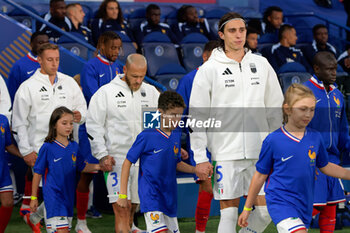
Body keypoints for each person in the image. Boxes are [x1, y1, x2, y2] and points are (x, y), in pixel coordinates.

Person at [189, 12, 284, 233]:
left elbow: (275, 109)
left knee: (263, 213)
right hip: (225, 153)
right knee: (229, 214)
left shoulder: (261, 64)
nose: (239, 35)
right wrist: (200, 157)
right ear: (221, 34)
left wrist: (278, 146)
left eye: (242, 30)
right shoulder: (209, 69)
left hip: (260, 152)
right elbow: (197, 116)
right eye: (232, 31)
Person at [238, 83, 350, 232]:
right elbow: (259, 176)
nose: (308, 114)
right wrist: (247, 208)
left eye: (312, 110)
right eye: (303, 109)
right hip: (280, 202)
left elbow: (326, 166)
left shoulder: (315, 138)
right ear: (287, 109)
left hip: (305, 203)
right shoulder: (273, 140)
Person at [12, 43, 87, 232]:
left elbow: (83, 108)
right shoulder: (27, 87)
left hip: (67, 148)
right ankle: (50, 224)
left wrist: (80, 115)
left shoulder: (69, 82)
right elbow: (19, 122)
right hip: (41, 149)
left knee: (61, 189)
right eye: (49, 60)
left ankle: (35, 216)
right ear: (39, 60)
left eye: (57, 60)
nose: (54, 64)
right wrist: (26, 150)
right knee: (54, 190)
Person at [86, 54, 160, 233]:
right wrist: (102, 155)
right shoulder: (106, 93)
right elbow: (94, 126)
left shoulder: (150, 92)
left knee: (133, 206)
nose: (138, 80)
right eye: (135, 76)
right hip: (116, 159)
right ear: (124, 70)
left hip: (143, 161)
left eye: (142, 76)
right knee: (122, 208)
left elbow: (155, 127)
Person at [117, 91, 194, 232]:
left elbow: (176, 163)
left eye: (179, 115)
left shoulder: (176, 134)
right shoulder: (146, 136)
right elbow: (127, 163)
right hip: (151, 196)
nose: (177, 120)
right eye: (173, 115)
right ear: (160, 112)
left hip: (170, 197)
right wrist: (123, 194)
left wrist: (195, 170)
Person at [30, 107, 99, 233]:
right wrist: (33, 197)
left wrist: (99, 166)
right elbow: (38, 173)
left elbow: (82, 166)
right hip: (54, 198)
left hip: (68, 198)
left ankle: (38, 214)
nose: (68, 126)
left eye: (71, 123)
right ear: (54, 125)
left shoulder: (74, 146)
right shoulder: (47, 147)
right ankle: (41, 211)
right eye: (64, 123)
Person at [303, 51, 350, 232]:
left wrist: (347, 147)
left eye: (335, 69)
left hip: (333, 160)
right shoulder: (305, 91)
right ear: (316, 69)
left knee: (331, 206)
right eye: (329, 70)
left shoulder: (337, 94)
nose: (334, 73)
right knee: (312, 206)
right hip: (312, 158)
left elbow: (343, 127)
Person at [176, 40, 219, 233]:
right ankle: (200, 230)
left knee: (227, 192)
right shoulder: (189, 80)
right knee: (207, 188)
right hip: (199, 141)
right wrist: (177, 143)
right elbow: (177, 115)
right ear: (204, 56)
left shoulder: (225, 78)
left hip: (224, 142)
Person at [80, 31, 123, 104]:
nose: (117, 52)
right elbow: (93, 96)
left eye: (118, 48)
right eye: (113, 48)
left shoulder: (117, 66)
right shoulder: (90, 66)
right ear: (103, 46)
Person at [7, 31, 49, 102]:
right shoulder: (19, 66)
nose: (44, 45)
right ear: (31, 44)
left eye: (47, 42)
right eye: (40, 43)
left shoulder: (54, 64)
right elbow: (12, 93)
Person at [0, 113, 22, 233]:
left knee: (8, 202)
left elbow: (8, 145)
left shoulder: (3, 119)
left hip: (2, 169)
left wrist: (23, 155)